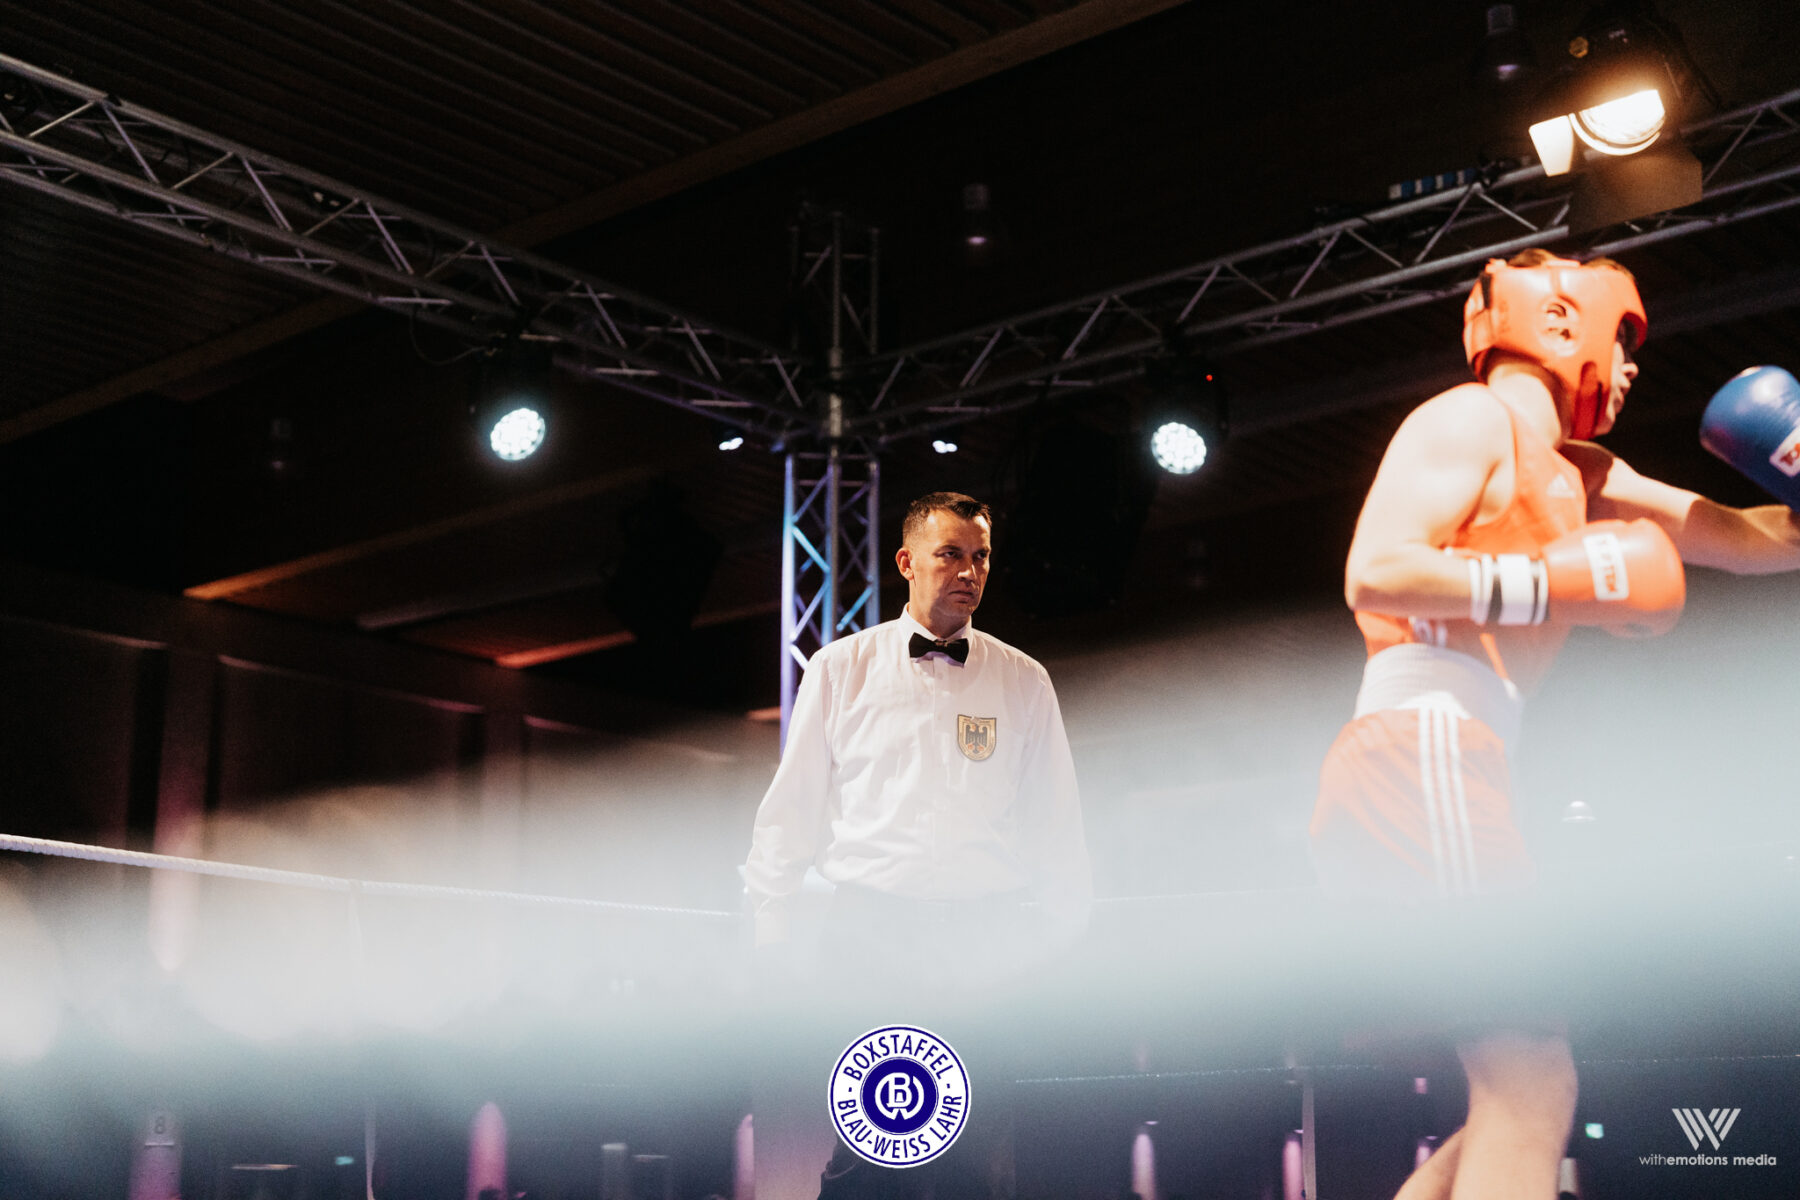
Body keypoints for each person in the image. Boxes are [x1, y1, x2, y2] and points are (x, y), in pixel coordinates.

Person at [1309, 248, 1800, 1200]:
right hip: (1422, 746)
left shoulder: (1584, 473)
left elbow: (1750, 540)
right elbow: (1374, 572)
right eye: (1626, 342)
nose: (1630, 370)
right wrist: (1550, 583)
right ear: (1566, 322)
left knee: (1515, 1091)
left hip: (1454, 764)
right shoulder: (1468, 419)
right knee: (1533, 1077)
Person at [744, 489, 1093, 1200]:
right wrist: (771, 936)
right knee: (869, 1147)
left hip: (986, 934)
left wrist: (1060, 941)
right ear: (906, 562)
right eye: (951, 554)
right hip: (870, 932)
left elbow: (1057, 823)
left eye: (981, 557)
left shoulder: (1024, 680)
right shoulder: (840, 667)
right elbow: (790, 811)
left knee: (982, 1154)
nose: (969, 571)